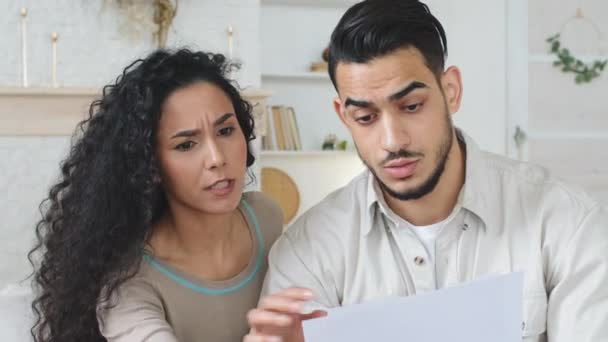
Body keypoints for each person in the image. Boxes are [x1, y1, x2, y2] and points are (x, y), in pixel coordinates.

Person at [244, 0, 608, 341]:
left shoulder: (567, 222)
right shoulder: (309, 251)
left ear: (451, 90)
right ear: (343, 116)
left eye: (412, 106)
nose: (392, 140)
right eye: (366, 118)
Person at [28, 49, 283, 342]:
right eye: (186, 145)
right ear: (151, 167)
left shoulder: (266, 217)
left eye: (225, 130)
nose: (216, 158)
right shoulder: (128, 282)